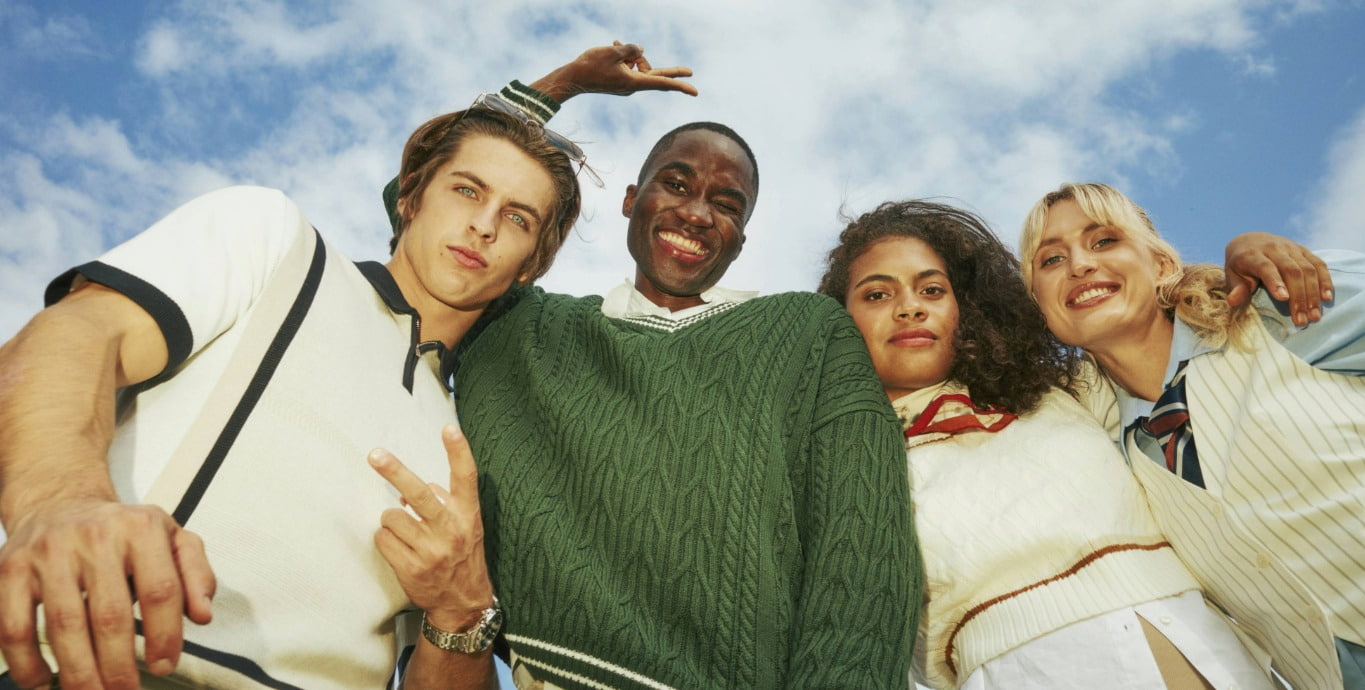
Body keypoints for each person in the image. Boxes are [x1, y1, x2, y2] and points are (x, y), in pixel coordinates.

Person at [0, 43, 690, 690]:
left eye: (517, 219)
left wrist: (462, 615)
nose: (484, 225)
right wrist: (61, 502)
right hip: (116, 664)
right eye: (467, 191)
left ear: (530, 266)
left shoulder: (466, 448)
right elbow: (78, 333)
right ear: (410, 197)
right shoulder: (279, 246)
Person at [386, 122, 925, 688]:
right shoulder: (517, 326)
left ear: (740, 237)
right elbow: (424, 219)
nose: (696, 214)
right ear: (629, 199)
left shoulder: (806, 334)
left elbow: (863, 559)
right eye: (675, 184)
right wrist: (558, 88)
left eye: (725, 204)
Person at [818, 200, 1277, 689]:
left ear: (967, 307)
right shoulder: (838, 458)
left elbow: (1154, 330)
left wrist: (1236, 260)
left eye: (932, 289)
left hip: (1195, 646)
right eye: (876, 295)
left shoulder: (1063, 391)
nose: (910, 307)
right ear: (840, 322)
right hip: (1011, 669)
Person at [1019, 181, 1365, 690]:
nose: (1080, 265)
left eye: (1104, 240)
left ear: (1161, 265)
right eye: (1050, 260)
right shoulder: (1099, 447)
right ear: (1038, 305)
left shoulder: (1276, 310)